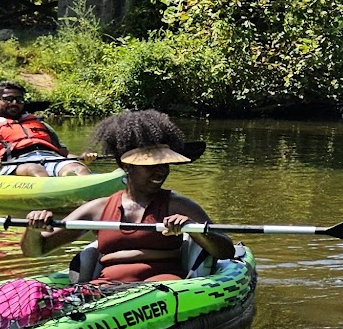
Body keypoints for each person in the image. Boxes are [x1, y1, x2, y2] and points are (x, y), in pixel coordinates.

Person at [22, 111, 231, 284]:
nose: (161, 172)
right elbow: (35, 251)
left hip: (161, 287)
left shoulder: (177, 204)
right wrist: (33, 229)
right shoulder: (97, 209)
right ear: (126, 166)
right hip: (104, 288)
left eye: (164, 165)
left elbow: (225, 250)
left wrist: (193, 228)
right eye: (151, 166)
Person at [0, 81, 90, 177]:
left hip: (52, 158)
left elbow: (65, 154)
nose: (14, 103)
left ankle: (88, 198)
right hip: (16, 162)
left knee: (79, 169)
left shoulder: (42, 125)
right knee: (35, 169)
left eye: (19, 99)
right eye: (8, 99)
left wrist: (81, 158)